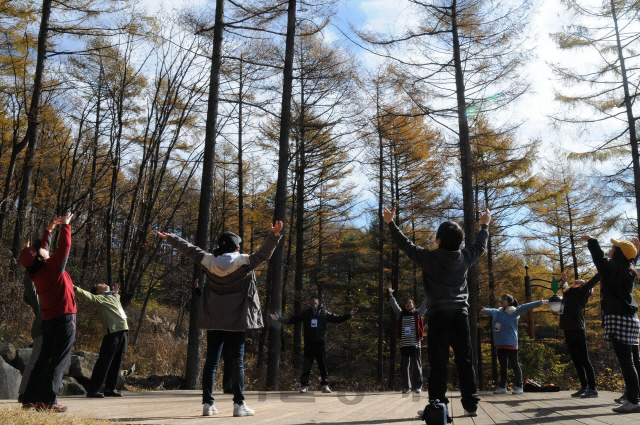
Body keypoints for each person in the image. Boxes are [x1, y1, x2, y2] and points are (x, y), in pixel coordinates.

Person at [157, 222, 283, 417]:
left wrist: (172, 238)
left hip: (214, 319)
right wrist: (274, 235)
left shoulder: (207, 261)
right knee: (237, 363)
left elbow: (189, 249)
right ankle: (239, 405)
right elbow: (264, 253)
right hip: (236, 320)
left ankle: (208, 405)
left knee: (211, 362)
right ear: (236, 247)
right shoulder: (244, 261)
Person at [383, 206, 490, 417]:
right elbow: (480, 244)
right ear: (459, 242)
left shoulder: (428, 258)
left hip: (439, 316)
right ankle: (471, 404)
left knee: (438, 362)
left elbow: (405, 244)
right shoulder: (466, 257)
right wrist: (485, 224)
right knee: (465, 360)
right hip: (460, 315)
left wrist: (391, 223)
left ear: (438, 240)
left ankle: (437, 406)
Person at [19, 212, 76, 413]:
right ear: (41, 259)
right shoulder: (52, 269)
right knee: (58, 360)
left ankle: (30, 399)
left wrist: (49, 230)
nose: (42, 249)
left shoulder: (36, 272)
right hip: (64, 319)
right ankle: (48, 402)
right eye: (39, 250)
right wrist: (66, 226)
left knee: (44, 360)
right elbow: (64, 247)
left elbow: (44, 250)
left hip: (49, 320)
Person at [582, 235, 640, 413]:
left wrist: (592, 240)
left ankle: (633, 401)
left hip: (618, 318)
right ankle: (634, 398)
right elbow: (629, 258)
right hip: (632, 319)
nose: (611, 248)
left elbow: (599, 258)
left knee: (627, 363)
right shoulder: (629, 269)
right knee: (633, 361)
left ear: (619, 253)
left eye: (614, 247)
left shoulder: (613, 268)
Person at [270, 295, 356, 393]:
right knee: (307, 364)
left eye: (316, 299)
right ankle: (304, 386)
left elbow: (337, 319)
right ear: (309, 302)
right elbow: (292, 319)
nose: (314, 300)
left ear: (319, 302)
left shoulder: (324, 313)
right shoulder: (305, 313)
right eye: (312, 298)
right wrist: (279, 319)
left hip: (320, 342)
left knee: (322, 364)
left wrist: (349, 314)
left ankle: (325, 385)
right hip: (309, 342)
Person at [482, 294, 548, 395]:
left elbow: (527, 306)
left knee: (515, 365)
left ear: (509, 301)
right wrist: (482, 309)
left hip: (510, 342)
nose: (501, 300)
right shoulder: (497, 312)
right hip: (499, 343)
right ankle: (502, 386)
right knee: (503, 366)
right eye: (501, 298)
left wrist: (539, 302)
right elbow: (488, 310)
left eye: (504, 299)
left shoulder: (514, 312)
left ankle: (519, 386)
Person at [74, 282, 128, 398]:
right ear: (98, 291)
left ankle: (110, 388)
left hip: (124, 330)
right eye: (100, 284)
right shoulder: (100, 298)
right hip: (112, 331)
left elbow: (117, 296)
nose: (103, 283)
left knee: (117, 361)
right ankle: (93, 389)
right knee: (105, 361)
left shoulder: (113, 296)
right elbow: (87, 295)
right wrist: (73, 287)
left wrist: (116, 292)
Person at [558, 271, 600, 398]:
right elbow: (564, 288)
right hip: (568, 329)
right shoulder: (568, 293)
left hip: (578, 330)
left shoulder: (582, 293)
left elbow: (592, 283)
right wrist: (564, 280)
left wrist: (585, 283)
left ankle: (592, 389)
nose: (576, 283)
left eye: (579, 283)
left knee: (584, 360)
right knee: (576, 360)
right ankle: (584, 386)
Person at [387, 285, 427, 394]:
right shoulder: (401, 314)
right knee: (404, 367)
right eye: (406, 303)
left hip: (415, 344)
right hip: (404, 344)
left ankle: (417, 386)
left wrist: (430, 289)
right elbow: (394, 305)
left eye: (410, 303)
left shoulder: (418, 313)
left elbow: (425, 304)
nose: (408, 304)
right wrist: (391, 295)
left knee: (417, 366)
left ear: (413, 305)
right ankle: (406, 387)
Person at [18, 251, 42, 404]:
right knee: (35, 361)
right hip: (42, 329)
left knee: (44, 363)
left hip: (52, 329)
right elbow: (29, 284)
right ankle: (24, 393)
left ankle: (38, 394)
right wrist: (29, 263)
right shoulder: (37, 297)